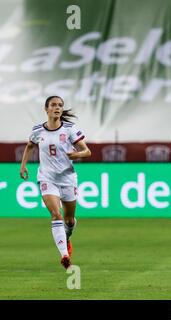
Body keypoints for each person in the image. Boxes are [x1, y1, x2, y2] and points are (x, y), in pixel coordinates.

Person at [20, 96, 91, 269]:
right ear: (46, 109)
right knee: (55, 215)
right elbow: (30, 146)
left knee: (69, 220)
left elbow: (87, 151)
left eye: (60, 105)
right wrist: (23, 166)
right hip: (47, 178)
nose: (57, 108)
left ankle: (66, 238)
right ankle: (64, 255)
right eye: (53, 105)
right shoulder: (38, 130)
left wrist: (77, 155)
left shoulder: (69, 129)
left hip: (67, 179)